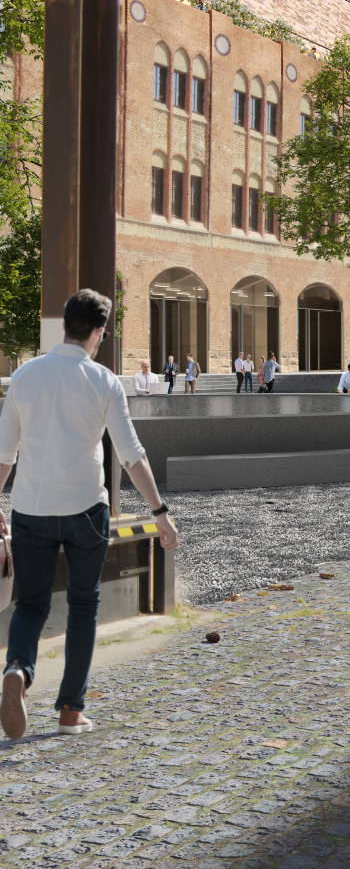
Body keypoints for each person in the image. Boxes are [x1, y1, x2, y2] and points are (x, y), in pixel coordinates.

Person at [0, 288, 180, 741]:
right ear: (99, 333)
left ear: (64, 325)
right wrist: (159, 513)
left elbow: (4, 456)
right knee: (83, 606)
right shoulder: (104, 381)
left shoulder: (25, 376)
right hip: (85, 510)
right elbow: (131, 456)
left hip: (31, 509)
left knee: (31, 604)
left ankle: (18, 668)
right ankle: (69, 711)